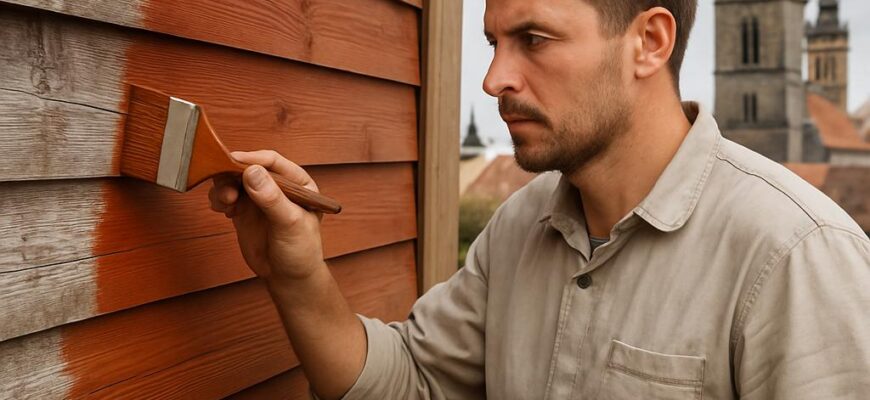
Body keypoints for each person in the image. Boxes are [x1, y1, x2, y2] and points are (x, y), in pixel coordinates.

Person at [209, 0, 870, 398]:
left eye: (534, 39)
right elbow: (408, 383)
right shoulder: (519, 227)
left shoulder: (797, 256)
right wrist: (297, 276)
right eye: (494, 42)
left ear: (649, 43)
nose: (496, 78)